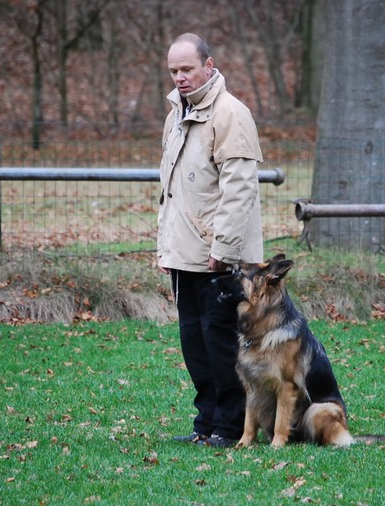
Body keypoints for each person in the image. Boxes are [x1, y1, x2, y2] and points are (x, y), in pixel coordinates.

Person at [157, 33, 264, 448]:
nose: (180, 77)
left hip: (220, 259)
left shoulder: (231, 113)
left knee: (221, 344)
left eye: (187, 69)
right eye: (174, 70)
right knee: (194, 343)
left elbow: (239, 189)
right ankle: (205, 423)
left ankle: (231, 426)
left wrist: (223, 249)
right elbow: (170, 191)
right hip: (184, 255)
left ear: (208, 65)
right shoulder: (175, 115)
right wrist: (166, 248)